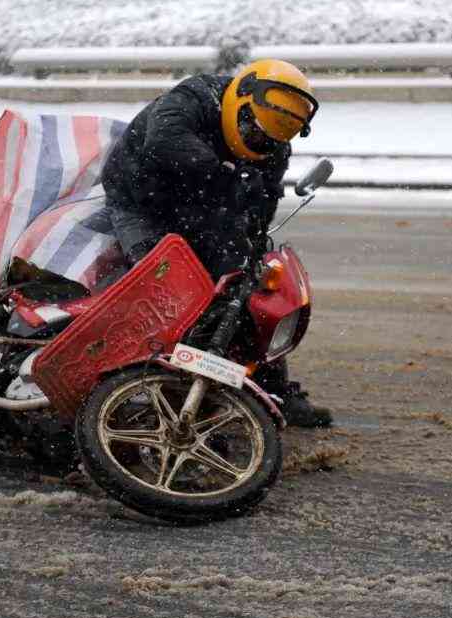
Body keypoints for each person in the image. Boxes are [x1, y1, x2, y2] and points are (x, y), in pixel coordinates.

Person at [98, 58, 333, 428]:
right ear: (240, 100)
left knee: (244, 285)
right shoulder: (194, 97)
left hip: (202, 205)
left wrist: (252, 242)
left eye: (270, 142)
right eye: (254, 133)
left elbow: (264, 198)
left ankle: (274, 389)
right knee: (163, 287)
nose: (260, 144)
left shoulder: (273, 146)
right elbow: (164, 140)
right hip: (142, 202)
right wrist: (225, 174)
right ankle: (156, 385)